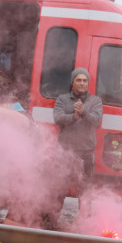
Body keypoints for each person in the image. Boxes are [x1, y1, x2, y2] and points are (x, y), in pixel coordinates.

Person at [51, 68, 103, 225]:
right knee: (59, 189)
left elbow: (96, 121)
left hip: (86, 155)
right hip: (65, 153)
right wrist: (73, 117)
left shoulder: (95, 101)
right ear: (72, 82)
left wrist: (84, 112)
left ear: (88, 83)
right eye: (78, 80)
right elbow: (58, 118)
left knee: (85, 191)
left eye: (84, 80)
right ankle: (52, 221)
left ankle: (84, 224)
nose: (82, 83)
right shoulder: (62, 99)